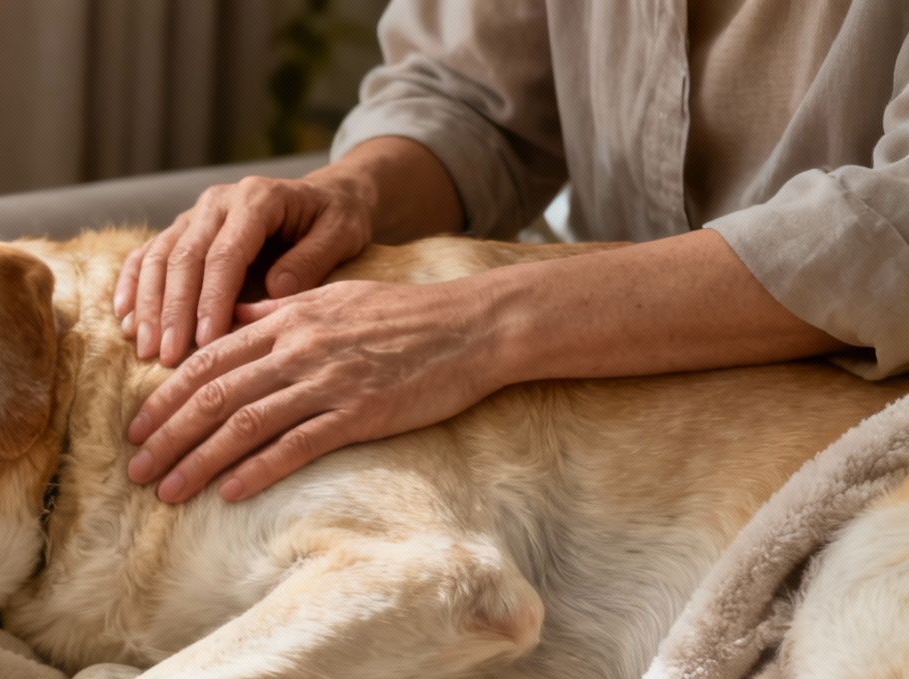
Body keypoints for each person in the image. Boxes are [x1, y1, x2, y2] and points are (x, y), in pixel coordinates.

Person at [117, 1, 909, 505]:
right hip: (611, 425)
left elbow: (892, 226)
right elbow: (468, 102)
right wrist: (353, 193)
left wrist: (473, 329)